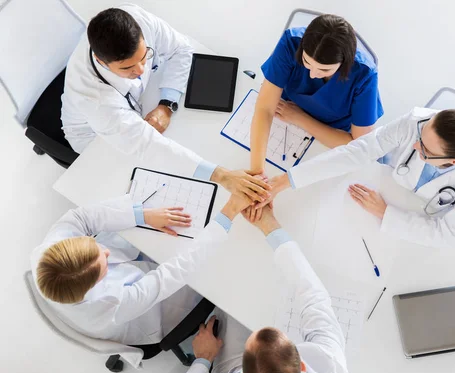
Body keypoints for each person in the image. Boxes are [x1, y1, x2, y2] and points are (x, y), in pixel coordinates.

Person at [61, 4, 268, 203]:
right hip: (93, 137)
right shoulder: (95, 99)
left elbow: (182, 49)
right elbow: (149, 147)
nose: (141, 70)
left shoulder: (135, 19)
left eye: (144, 57)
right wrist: (222, 176)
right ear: (100, 61)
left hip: (138, 104)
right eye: (127, 68)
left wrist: (167, 103)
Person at [169, 206, 349, 373]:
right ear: (302, 365)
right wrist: (269, 226)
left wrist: (203, 360)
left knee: (233, 288)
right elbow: (314, 296)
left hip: (232, 367)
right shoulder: (330, 371)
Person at [32, 193, 251, 345]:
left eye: (97, 247)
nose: (106, 252)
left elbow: (81, 217)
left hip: (125, 278)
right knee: (225, 265)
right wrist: (228, 213)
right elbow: (176, 271)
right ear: (95, 284)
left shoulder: (47, 253)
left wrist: (142, 216)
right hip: (153, 314)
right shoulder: (114, 303)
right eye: (103, 264)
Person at [261, 108, 455, 247]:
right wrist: (285, 181)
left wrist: (386, 214)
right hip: (390, 185)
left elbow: (446, 233)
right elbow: (358, 151)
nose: (414, 144)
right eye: (419, 136)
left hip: (413, 223)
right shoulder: (416, 122)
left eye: (424, 149)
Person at [249, 14, 384, 174]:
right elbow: (265, 108)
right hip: (284, 115)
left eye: (324, 70)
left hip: (330, 133)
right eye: (306, 62)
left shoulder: (364, 75)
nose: (312, 74)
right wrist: (257, 172)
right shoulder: (291, 42)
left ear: (345, 62)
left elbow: (359, 146)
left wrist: (299, 118)